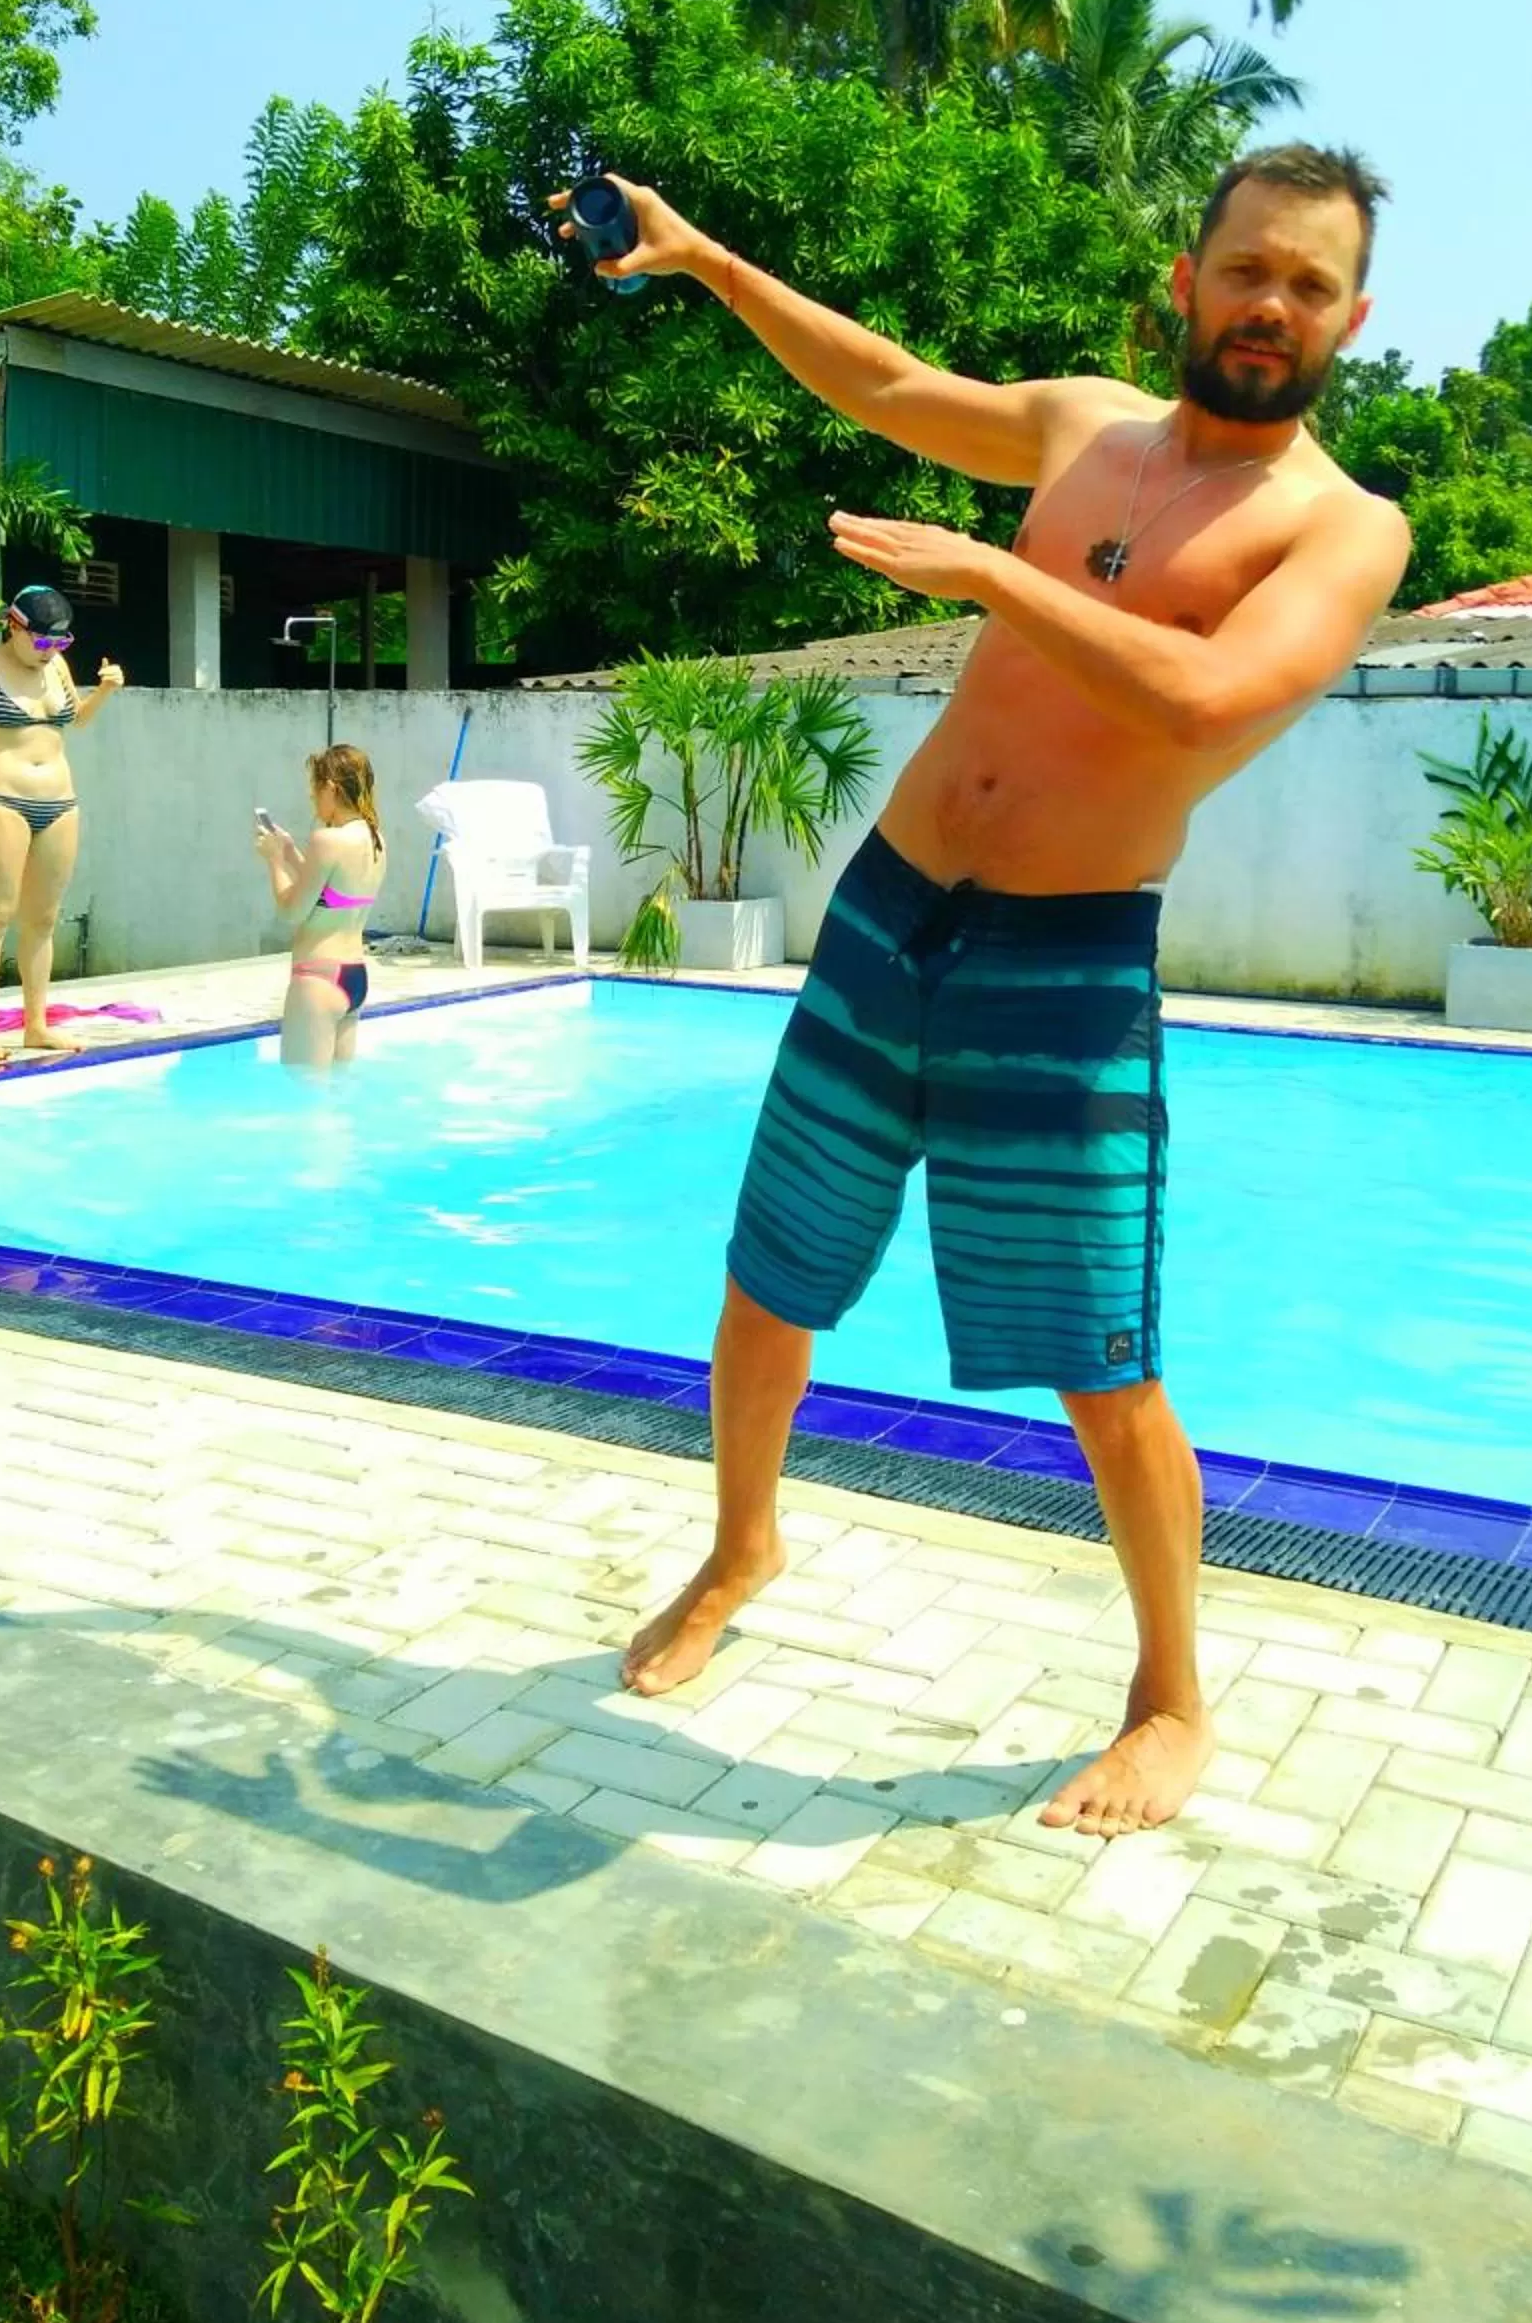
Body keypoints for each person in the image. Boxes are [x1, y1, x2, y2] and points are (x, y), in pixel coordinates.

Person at [556, 145, 1413, 1839]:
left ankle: (1169, 1699)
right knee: (768, 1278)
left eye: (1309, 286)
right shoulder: (1084, 425)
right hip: (894, 907)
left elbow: (1205, 694)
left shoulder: (1343, 527)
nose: (1271, 305)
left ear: (1351, 319)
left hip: (1064, 959)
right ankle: (740, 1546)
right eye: (1248, 269)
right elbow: (885, 384)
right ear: (1188, 280)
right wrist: (707, 257)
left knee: (1101, 1358)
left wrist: (998, 577)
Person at [0, 583, 123, 1065]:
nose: (50, 650)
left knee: (43, 919)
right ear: (13, 626)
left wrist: (105, 692)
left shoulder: (56, 666)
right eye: (42, 640)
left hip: (60, 803)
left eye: (60, 641)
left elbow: (75, 719)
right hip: (3, 800)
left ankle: (37, 1026)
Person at [258, 744, 385, 1070]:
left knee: (302, 1092)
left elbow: (291, 910)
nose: (313, 800)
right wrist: (289, 852)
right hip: (354, 977)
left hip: (318, 978)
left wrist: (273, 861)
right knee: (339, 1089)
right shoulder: (376, 841)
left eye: (314, 792)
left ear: (330, 787)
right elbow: (331, 897)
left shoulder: (327, 840)